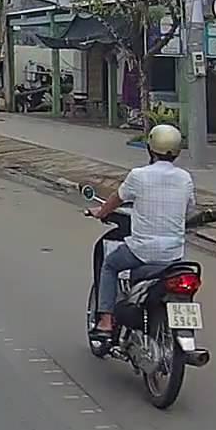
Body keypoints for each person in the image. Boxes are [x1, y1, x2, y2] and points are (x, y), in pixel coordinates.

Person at [88, 124, 195, 338]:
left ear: (150, 148)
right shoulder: (185, 178)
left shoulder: (138, 175)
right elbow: (189, 208)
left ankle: (106, 321)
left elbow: (116, 199)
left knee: (109, 265)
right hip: (173, 255)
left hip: (141, 251)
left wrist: (101, 212)